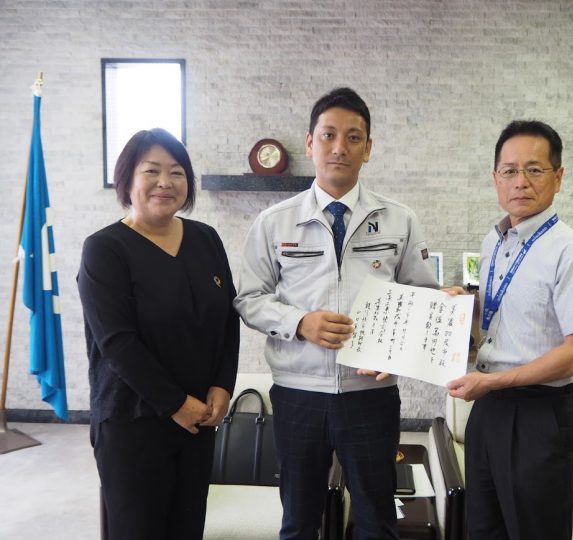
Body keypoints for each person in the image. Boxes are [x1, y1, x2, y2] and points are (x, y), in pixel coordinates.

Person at [234, 87, 438, 539]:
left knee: (376, 520)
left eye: (353, 137)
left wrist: (399, 351)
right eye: (328, 135)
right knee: (299, 521)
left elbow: (421, 296)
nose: (339, 147)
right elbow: (249, 299)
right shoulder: (274, 222)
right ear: (310, 143)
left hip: (371, 395)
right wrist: (299, 322)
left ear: (369, 148)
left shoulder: (399, 219)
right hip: (297, 393)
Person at [445, 120, 573, 539]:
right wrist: (460, 304)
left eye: (534, 169)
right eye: (510, 170)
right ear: (495, 178)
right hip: (489, 408)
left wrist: (493, 382)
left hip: (540, 413)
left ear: (559, 177)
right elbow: (503, 315)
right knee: (484, 527)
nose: (521, 181)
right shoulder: (494, 242)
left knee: (535, 530)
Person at [77, 128, 239, 540]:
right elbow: (117, 344)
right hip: (133, 422)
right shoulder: (104, 249)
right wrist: (175, 404)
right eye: (151, 171)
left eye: (176, 172)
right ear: (127, 180)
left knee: (187, 529)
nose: (165, 182)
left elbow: (227, 317)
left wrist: (223, 385)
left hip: (199, 420)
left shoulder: (205, 238)